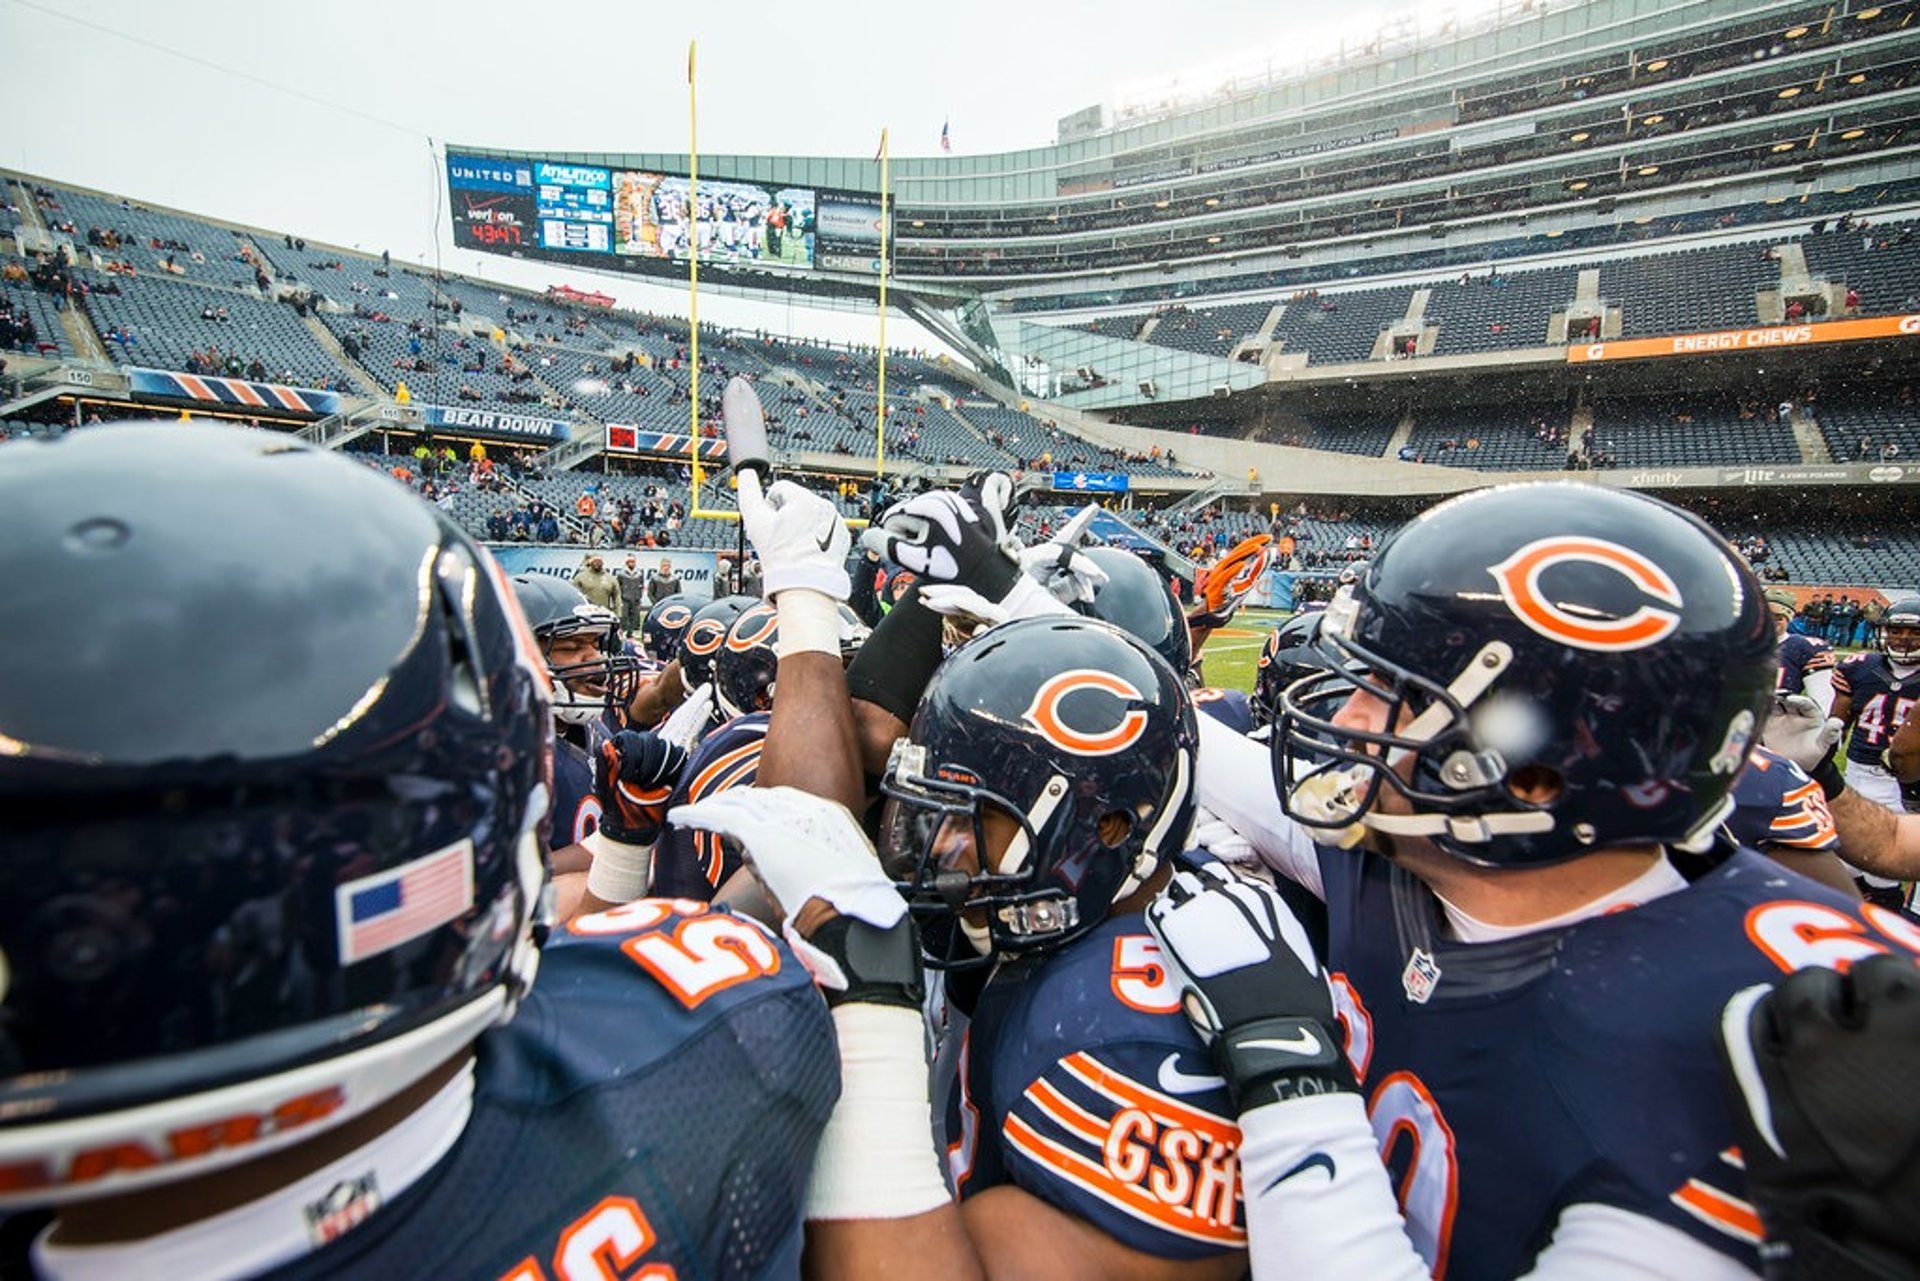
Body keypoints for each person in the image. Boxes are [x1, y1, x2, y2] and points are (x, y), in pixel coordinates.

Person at [0, 423, 836, 1279]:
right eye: (572, 648)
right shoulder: (712, 1046)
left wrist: (626, 839)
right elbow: (805, 846)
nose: (589, 662)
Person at [1144, 482, 1918, 1279]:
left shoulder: (1789, 1047)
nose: (1350, 723)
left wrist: (1285, 1058)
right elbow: (1180, 734)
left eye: (1393, 698)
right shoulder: (1432, 853)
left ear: (1536, 772)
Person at [674, 452, 1251, 1278]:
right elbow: (822, 805)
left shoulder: (1126, 1020)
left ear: (1104, 824)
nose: (927, 847)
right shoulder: (1041, 913)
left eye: (966, 816)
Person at [1829, 596, 1920, 905]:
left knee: (1885, 863)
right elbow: (1838, 723)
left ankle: (1888, 916)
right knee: (1844, 856)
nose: (1903, 638)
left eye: (1913, 633)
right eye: (1896, 630)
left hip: (1903, 782)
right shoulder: (1861, 667)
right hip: (1857, 771)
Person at [615, 552, 649, 636]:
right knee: (624, 616)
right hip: (625, 598)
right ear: (626, 563)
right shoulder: (621, 573)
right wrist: (620, 598)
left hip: (636, 598)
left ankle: (634, 632)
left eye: (633, 561)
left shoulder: (639, 573)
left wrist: (639, 596)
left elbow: (641, 585)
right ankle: (623, 631)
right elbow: (618, 587)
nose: (631, 563)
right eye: (630, 562)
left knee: (635, 616)